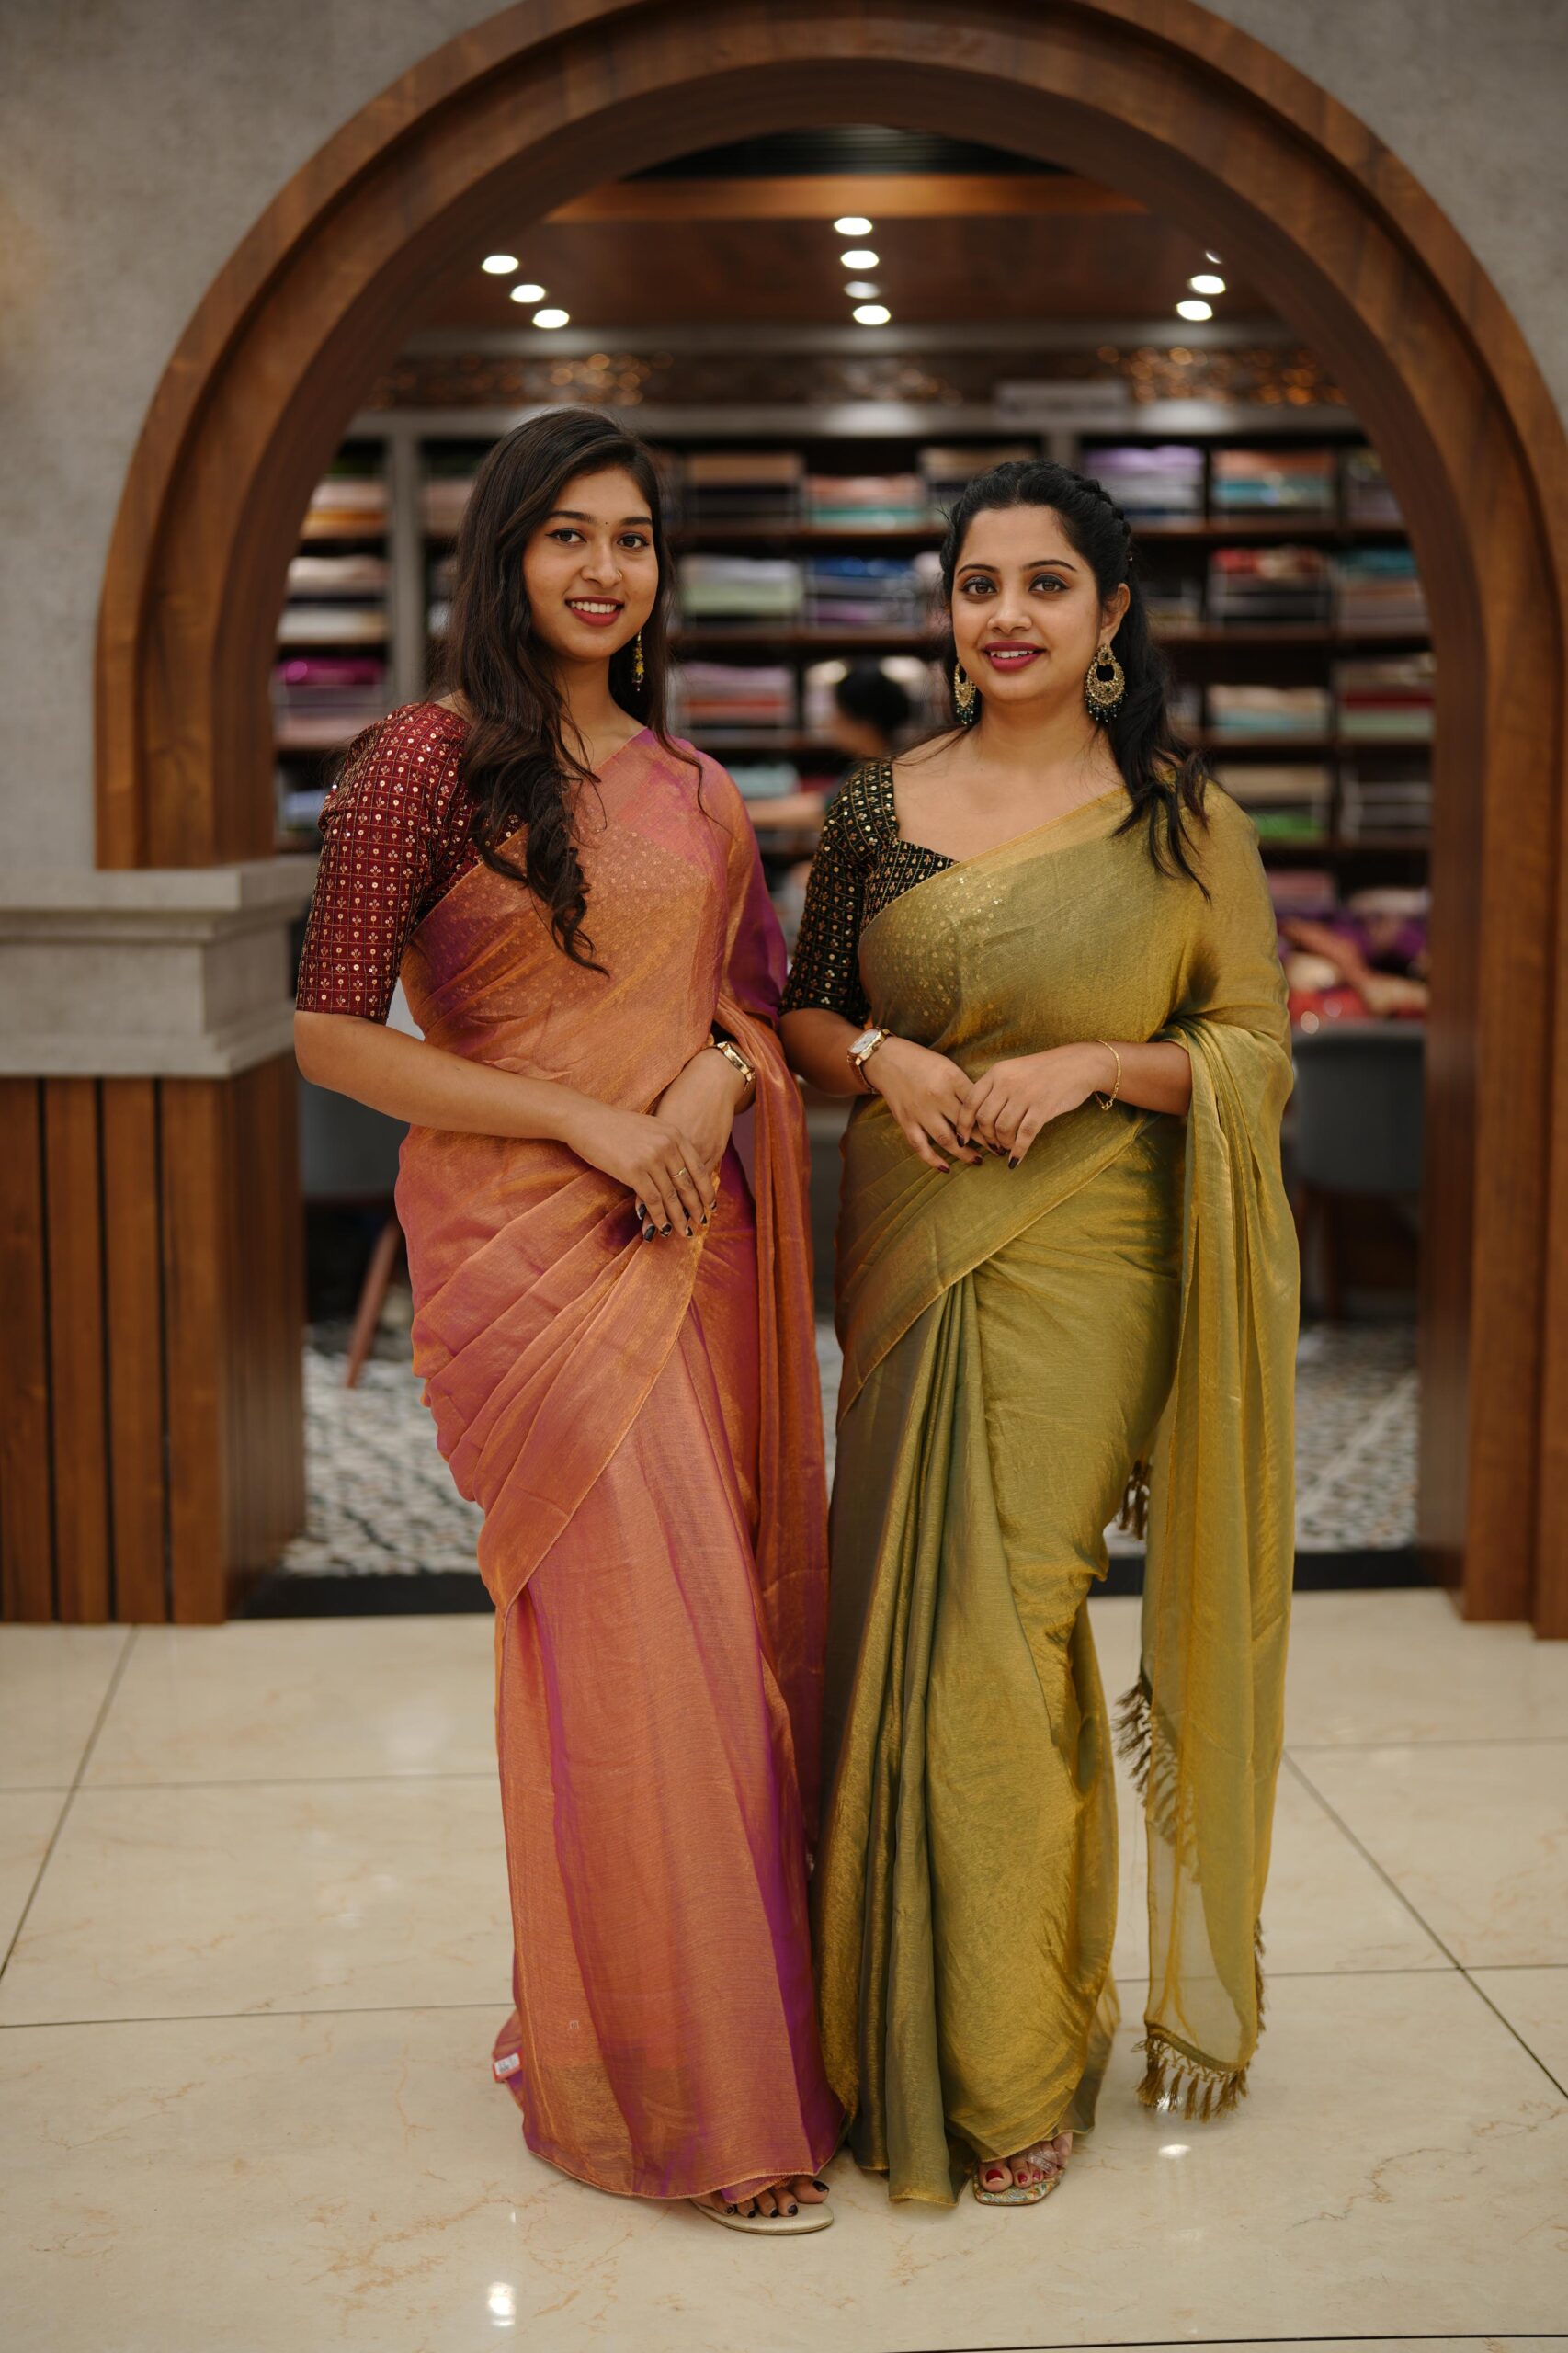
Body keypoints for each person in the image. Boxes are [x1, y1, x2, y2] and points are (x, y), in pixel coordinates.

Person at [294, 408, 840, 2234]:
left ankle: (717, 2031)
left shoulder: (698, 787)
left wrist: (699, 1090)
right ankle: (696, 2095)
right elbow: (330, 1034)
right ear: (505, 554)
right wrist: (583, 1121)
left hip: (693, 1247)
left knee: (719, 1656)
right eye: (568, 534)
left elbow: (753, 1012)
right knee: (631, 1655)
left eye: (635, 537)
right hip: (530, 1252)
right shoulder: (421, 762)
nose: (606, 569)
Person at [779, 460, 1299, 2210]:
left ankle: (1009, 2063)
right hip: (912, 1254)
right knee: (896, 1628)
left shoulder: (1182, 824)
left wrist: (1089, 1063)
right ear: (947, 610)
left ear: (1110, 612)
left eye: (1044, 583)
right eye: (977, 584)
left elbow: (1252, 1053)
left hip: (1094, 1263)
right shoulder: (873, 810)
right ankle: (891, 2037)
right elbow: (805, 1010)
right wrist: (883, 1059)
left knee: (1006, 1625)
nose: (1005, 615)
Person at [826, 661, 914, 767]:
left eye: (838, 710)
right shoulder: (904, 765)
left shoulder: (865, 771)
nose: (832, 721)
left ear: (864, 723)